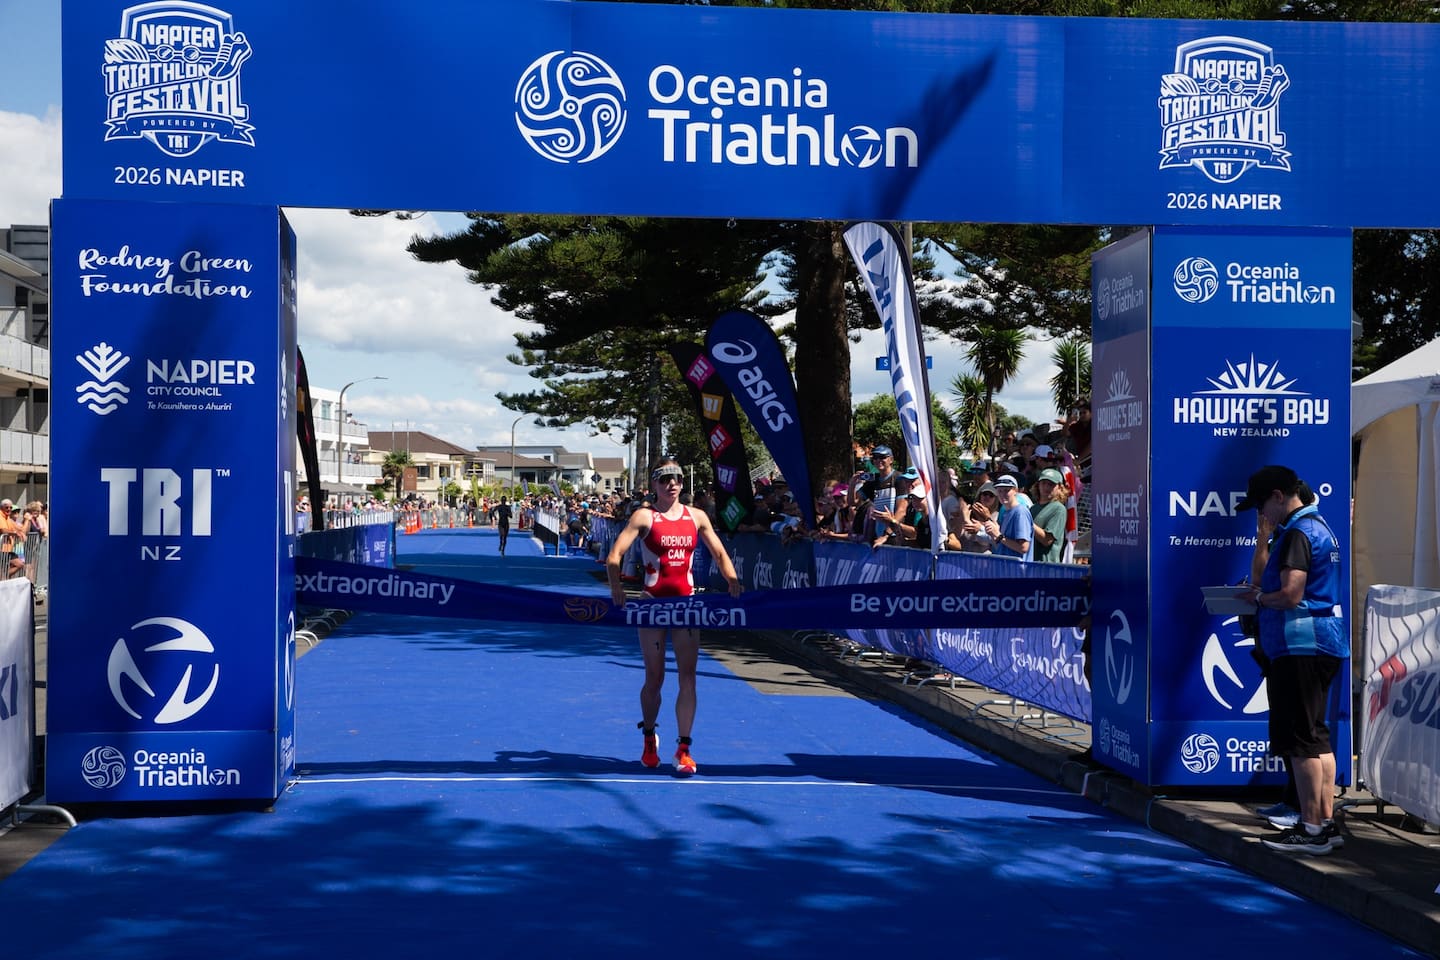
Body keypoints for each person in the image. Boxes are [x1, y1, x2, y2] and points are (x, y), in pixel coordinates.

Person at [1236, 465, 1347, 855]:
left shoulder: (1299, 532)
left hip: (1300, 645)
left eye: (1262, 505)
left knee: (1301, 742)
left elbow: (1291, 594)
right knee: (1316, 737)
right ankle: (1324, 824)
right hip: (1319, 643)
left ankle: (1312, 828)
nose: (1262, 514)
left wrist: (1257, 598)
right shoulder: (1317, 527)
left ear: (1278, 497)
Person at [606, 458, 743, 777]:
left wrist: (733, 581)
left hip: (686, 606)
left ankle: (684, 748)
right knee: (655, 678)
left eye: (677, 478)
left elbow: (719, 552)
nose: (672, 484)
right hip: (652, 605)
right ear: (654, 484)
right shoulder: (644, 516)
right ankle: (649, 735)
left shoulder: (696, 516)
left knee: (688, 676)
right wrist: (616, 587)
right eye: (665, 478)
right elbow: (615, 555)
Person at [985, 475, 1032, 560]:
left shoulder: (1020, 512)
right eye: (999, 491)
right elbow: (1003, 543)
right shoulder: (1006, 512)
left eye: (1006, 490)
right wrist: (994, 533)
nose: (1002, 494)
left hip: (1017, 567)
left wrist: (998, 535)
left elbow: (1023, 547)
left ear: (1015, 491)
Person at [1030, 468, 1068, 563]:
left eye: (1051, 484)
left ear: (1059, 488)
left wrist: (1028, 523)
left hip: (1047, 565)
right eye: (1043, 483)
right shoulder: (1033, 508)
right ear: (1038, 485)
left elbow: (1047, 540)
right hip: (1030, 563)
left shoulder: (1059, 509)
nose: (1046, 487)